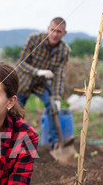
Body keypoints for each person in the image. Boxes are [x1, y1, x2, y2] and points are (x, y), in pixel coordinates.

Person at [16, 17, 71, 149]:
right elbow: (21, 63)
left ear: (64, 33)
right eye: (53, 30)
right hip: (24, 81)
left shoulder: (64, 50)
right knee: (15, 111)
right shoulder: (34, 39)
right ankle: (11, 140)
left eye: (59, 32)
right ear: (48, 29)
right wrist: (38, 71)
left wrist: (57, 99)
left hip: (42, 85)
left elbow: (59, 76)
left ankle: (54, 143)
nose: (55, 34)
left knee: (53, 107)